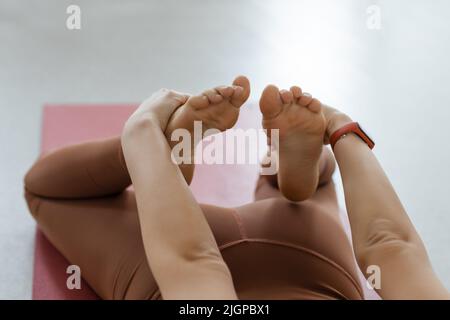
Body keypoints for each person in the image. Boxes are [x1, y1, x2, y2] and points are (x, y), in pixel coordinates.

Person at [24, 76, 450, 299]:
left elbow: (391, 245)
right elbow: (192, 260)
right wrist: (143, 138)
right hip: (169, 268)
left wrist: (342, 131)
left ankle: (296, 172)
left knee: (308, 190)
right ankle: (155, 162)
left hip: (315, 256)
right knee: (48, 192)